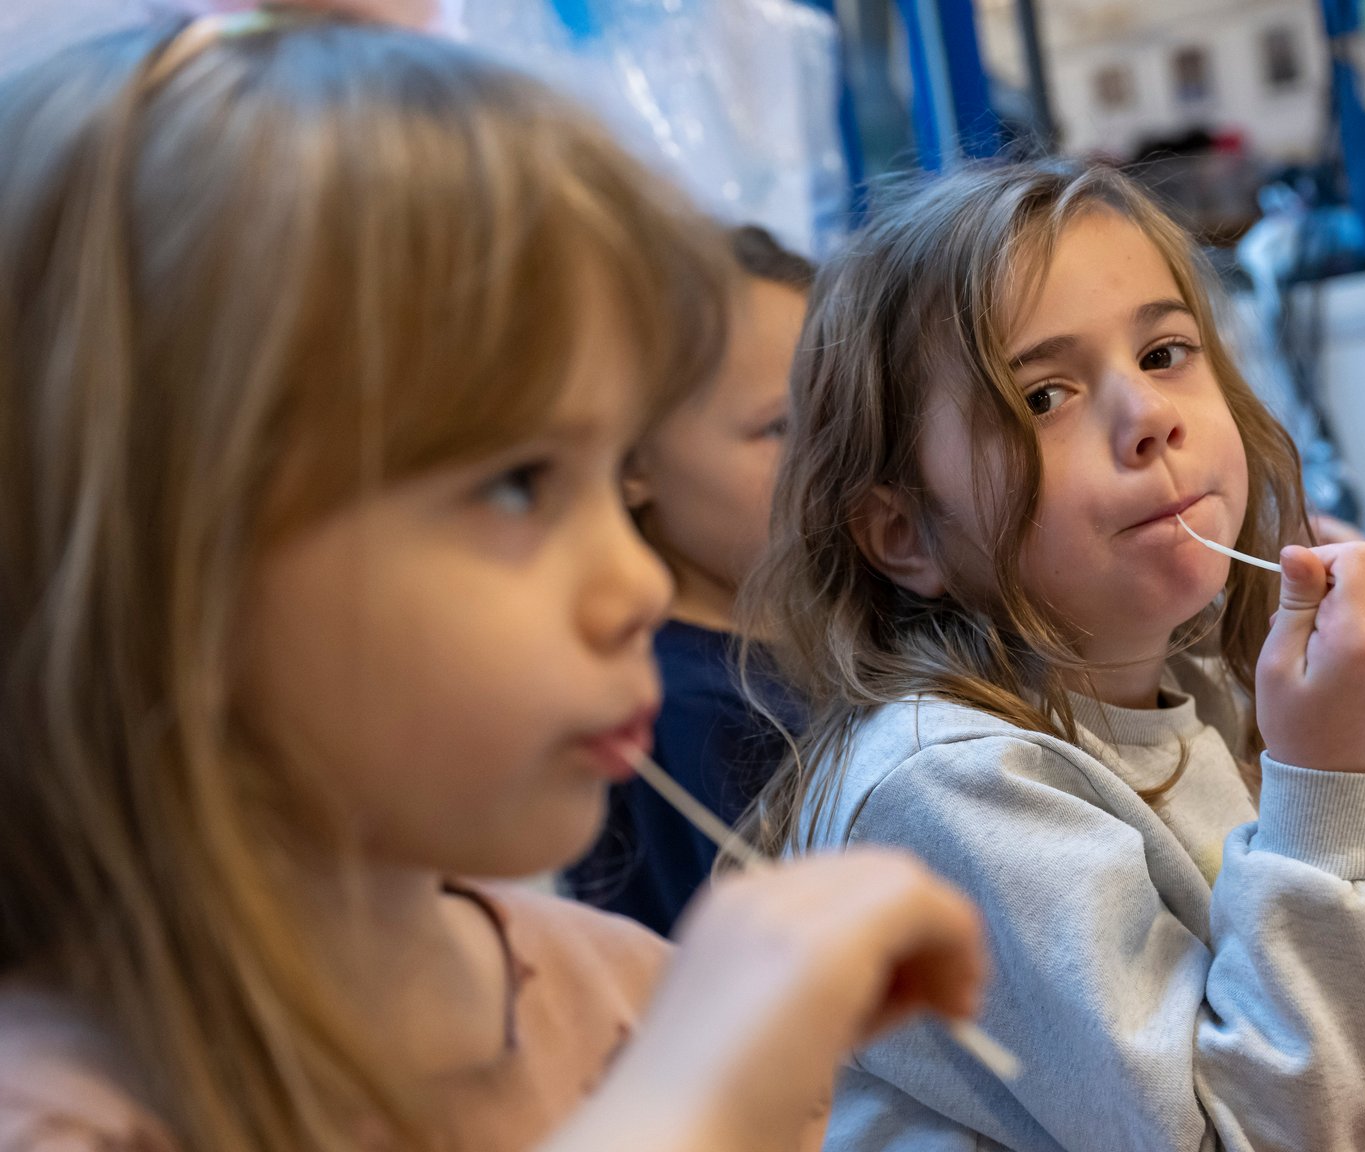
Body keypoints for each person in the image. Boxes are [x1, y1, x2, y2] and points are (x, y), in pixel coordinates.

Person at [0, 15, 989, 1150]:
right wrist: (685, 1110)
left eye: (613, 476)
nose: (628, 583)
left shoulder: (631, 995)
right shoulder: (60, 1110)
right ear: (168, 552)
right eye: (518, 485)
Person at [738, 158, 1365, 1152]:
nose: (1148, 418)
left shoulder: (1191, 684)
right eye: (1042, 397)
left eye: (1165, 352)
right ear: (903, 532)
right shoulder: (948, 783)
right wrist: (1328, 779)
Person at [570, 225, 813, 931]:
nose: (831, 461)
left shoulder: (820, 646)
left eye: (838, 416)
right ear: (633, 460)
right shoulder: (681, 714)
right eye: (779, 428)